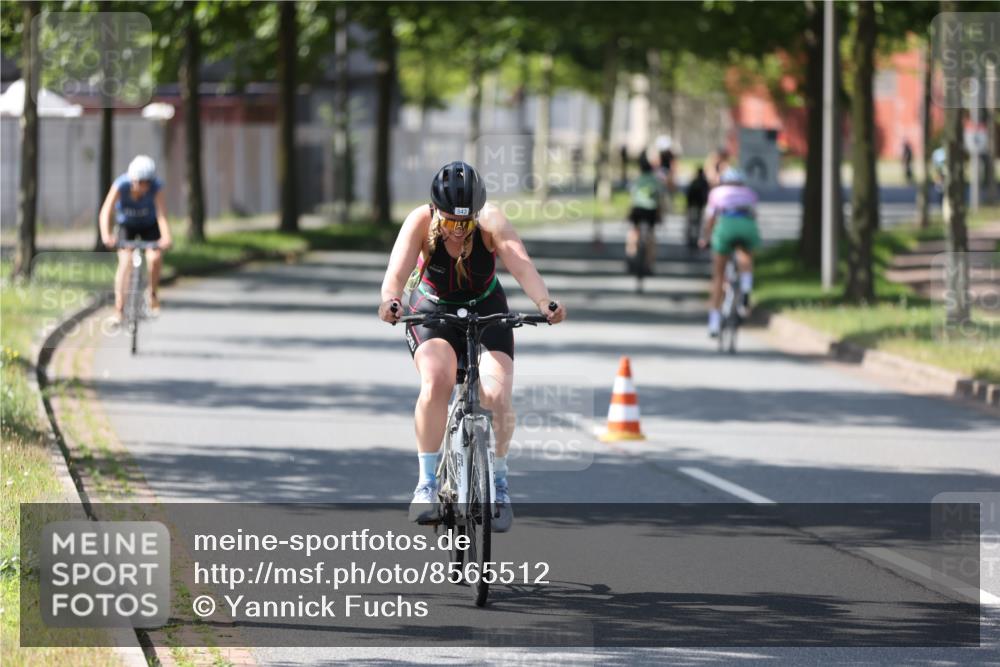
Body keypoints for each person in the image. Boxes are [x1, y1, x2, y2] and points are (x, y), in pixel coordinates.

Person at [378, 161, 567, 532]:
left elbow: (522, 266)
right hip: (432, 307)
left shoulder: (491, 221)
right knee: (437, 380)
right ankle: (427, 484)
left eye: (465, 222)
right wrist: (390, 301)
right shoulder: (419, 220)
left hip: (486, 306)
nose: (458, 229)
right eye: (450, 220)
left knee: (496, 393)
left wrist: (545, 303)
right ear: (436, 211)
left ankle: (499, 481)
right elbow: (395, 275)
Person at [99, 155, 172, 323]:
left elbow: (161, 214)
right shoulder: (120, 185)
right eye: (140, 182)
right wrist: (106, 235)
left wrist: (166, 237)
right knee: (125, 262)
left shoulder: (156, 187)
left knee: (155, 258)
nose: (144, 187)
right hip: (127, 226)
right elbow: (106, 211)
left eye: (147, 182)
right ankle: (119, 309)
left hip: (149, 225)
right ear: (132, 179)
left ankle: (152, 294)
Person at [699, 167, 760, 337]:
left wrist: (706, 237)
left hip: (725, 226)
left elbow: (710, 218)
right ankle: (746, 287)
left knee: (718, 275)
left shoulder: (716, 193)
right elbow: (754, 215)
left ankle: (713, 322)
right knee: (745, 254)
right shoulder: (749, 193)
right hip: (746, 226)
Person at [625, 152, 663, 272]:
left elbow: (632, 197)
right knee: (651, 235)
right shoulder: (656, 180)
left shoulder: (637, 180)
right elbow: (660, 198)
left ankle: (630, 256)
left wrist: (628, 212)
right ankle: (649, 263)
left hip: (638, 209)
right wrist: (660, 213)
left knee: (633, 232)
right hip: (651, 210)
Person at [685, 166, 710, 250]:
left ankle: (692, 239)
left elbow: (689, 194)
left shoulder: (694, 182)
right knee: (699, 223)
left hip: (693, 205)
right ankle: (697, 239)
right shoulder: (704, 182)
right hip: (700, 205)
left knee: (692, 223)